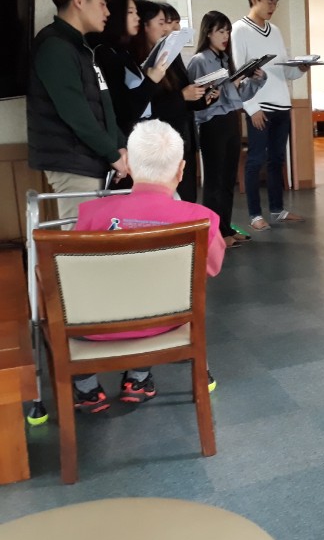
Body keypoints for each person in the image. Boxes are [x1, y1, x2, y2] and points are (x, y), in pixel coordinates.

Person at [71, 120, 226, 413]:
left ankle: (87, 387)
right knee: (156, 297)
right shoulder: (202, 219)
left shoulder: (90, 214)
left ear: (128, 165)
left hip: (95, 328)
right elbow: (213, 267)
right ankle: (138, 379)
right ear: (181, 170)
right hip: (165, 325)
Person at [26, 0, 128, 223]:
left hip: (89, 159)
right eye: (102, 4)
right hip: (73, 161)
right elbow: (76, 112)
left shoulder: (80, 46)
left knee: (94, 237)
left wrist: (119, 145)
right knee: (81, 240)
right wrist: (112, 154)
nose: (107, 12)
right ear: (79, 1)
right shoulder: (55, 46)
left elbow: (103, 104)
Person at [232, 0, 309, 231]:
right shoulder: (239, 30)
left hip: (282, 106)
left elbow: (284, 71)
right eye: (269, 2)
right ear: (254, 0)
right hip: (259, 107)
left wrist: (301, 68)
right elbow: (239, 74)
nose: (273, 7)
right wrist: (251, 107)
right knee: (256, 160)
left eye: (276, 3)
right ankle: (255, 215)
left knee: (277, 160)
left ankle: (278, 210)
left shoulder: (275, 30)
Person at [187, 11, 267, 249]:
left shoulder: (225, 59)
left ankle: (225, 227)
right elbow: (200, 101)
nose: (225, 36)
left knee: (228, 179)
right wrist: (228, 86)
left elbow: (238, 96)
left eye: (227, 31)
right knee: (214, 180)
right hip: (212, 123)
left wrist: (256, 80)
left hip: (231, 119)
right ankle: (214, 232)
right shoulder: (199, 61)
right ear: (208, 33)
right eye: (220, 31)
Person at [131, 0, 207, 202]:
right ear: (144, 26)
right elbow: (147, 107)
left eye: (173, 22)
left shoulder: (172, 54)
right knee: (166, 200)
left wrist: (203, 95)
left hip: (183, 135)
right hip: (161, 141)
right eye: (163, 22)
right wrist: (182, 96)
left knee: (187, 198)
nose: (170, 29)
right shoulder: (139, 60)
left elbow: (185, 91)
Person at [89, 0, 169, 137]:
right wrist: (151, 80)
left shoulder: (123, 52)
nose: (137, 18)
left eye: (136, 12)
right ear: (115, 14)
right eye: (130, 12)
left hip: (142, 133)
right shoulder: (103, 53)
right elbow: (122, 109)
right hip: (125, 138)